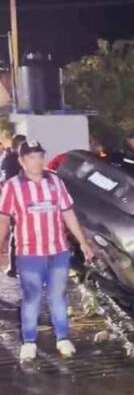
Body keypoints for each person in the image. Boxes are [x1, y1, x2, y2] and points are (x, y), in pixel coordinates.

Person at [0, 141, 95, 362]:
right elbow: (3, 219)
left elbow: (68, 213)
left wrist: (83, 242)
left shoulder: (55, 181)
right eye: (31, 157)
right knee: (31, 297)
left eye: (40, 156)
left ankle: (62, 338)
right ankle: (29, 342)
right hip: (29, 253)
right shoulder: (12, 187)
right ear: (22, 162)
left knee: (58, 296)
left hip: (58, 251)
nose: (37, 161)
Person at [1, 134, 25, 277]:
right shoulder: (11, 160)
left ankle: (16, 267)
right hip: (16, 203)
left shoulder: (12, 160)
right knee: (17, 234)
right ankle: (14, 267)